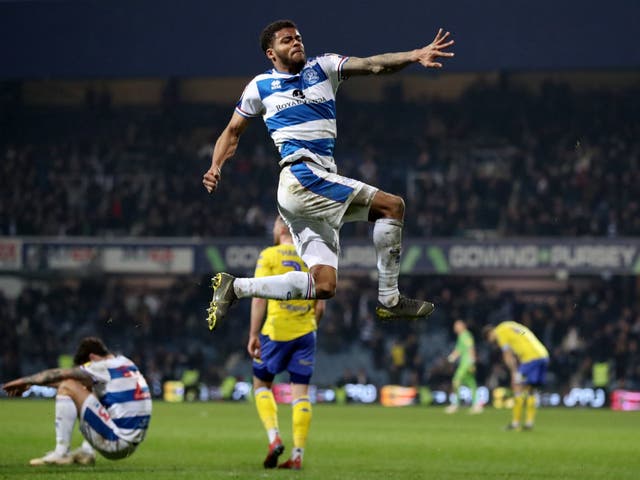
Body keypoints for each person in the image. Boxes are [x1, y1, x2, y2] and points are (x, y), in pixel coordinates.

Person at [203, 19, 455, 330]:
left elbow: (373, 65)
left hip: (306, 187)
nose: (296, 43)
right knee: (392, 206)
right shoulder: (260, 86)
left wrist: (414, 54)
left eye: (298, 38)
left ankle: (236, 287)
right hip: (302, 177)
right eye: (286, 41)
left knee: (323, 285)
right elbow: (232, 132)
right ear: (271, 53)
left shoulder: (324, 67)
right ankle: (389, 299)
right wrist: (216, 165)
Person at [248, 215, 325, 470]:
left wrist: (253, 334)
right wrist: (309, 324)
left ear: (281, 227)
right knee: (300, 394)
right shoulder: (312, 256)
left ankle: (274, 439)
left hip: (276, 332)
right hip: (306, 332)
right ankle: (298, 454)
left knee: (261, 385)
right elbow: (321, 304)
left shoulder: (269, 255)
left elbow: (258, 297)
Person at [2, 337, 152, 466]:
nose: (87, 369)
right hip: (132, 441)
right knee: (91, 390)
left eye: (86, 366)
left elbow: (61, 377)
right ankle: (87, 451)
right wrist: (33, 384)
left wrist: (24, 381)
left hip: (116, 442)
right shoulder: (124, 363)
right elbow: (80, 385)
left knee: (68, 386)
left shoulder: (101, 367)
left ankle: (61, 453)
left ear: (92, 357)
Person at [483, 321, 550, 430]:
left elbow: (507, 354)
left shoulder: (500, 332)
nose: (493, 342)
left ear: (489, 334)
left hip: (530, 358)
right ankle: (529, 422)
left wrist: (514, 372)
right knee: (530, 390)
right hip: (543, 355)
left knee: (517, 387)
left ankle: (515, 423)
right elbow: (523, 336)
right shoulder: (509, 325)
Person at [445, 320, 483, 414]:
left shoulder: (465, 335)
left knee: (456, 380)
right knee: (471, 383)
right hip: (465, 362)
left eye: (457, 326)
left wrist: (472, 362)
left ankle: (456, 404)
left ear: (462, 326)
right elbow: (458, 350)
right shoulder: (462, 336)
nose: (455, 328)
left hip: (467, 363)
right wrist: (450, 358)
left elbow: (471, 348)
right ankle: (477, 405)